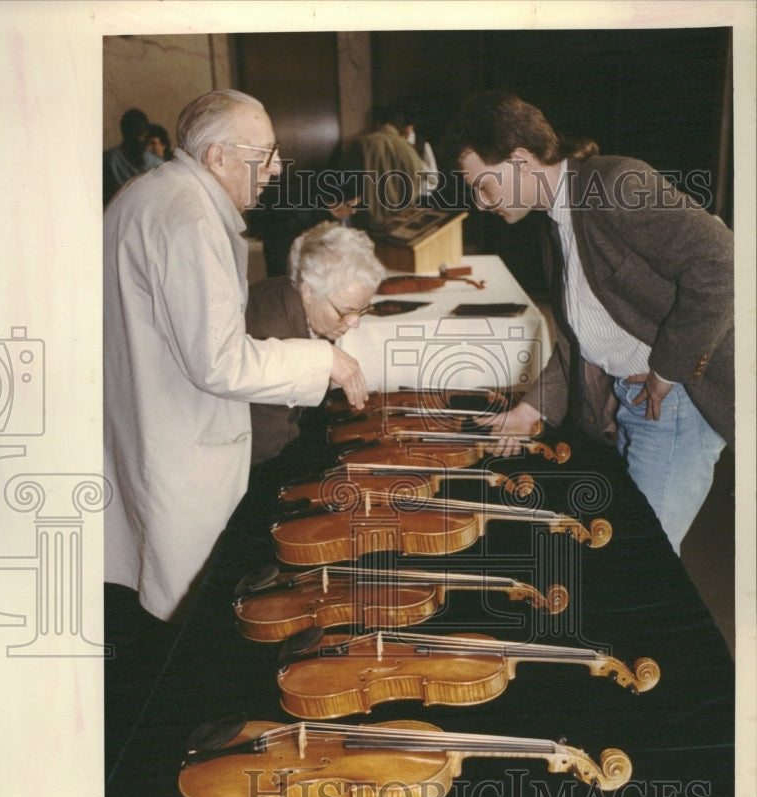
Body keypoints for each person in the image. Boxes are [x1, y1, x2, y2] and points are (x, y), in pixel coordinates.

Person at [103, 89, 368, 622]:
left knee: (159, 590)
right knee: (193, 613)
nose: (273, 170)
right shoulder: (191, 218)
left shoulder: (148, 191)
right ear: (218, 157)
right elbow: (219, 362)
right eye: (264, 154)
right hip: (178, 437)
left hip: (145, 420)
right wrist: (324, 362)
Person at [443, 90, 733, 554]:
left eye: (482, 184)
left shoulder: (615, 183)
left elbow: (722, 264)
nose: (480, 202)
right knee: (626, 542)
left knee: (638, 558)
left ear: (520, 160)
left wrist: (667, 367)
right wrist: (530, 409)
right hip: (634, 401)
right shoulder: (556, 217)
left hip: (674, 405)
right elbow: (585, 334)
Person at [246, 220, 385, 465]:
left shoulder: (298, 300)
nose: (354, 323)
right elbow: (267, 449)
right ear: (308, 292)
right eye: (346, 311)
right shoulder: (273, 332)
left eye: (362, 311)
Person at [102, 107, 163, 206]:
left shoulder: (158, 166)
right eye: (133, 135)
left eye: (141, 134)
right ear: (125, 133)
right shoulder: (108, 161)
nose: (138, 140)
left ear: (146, 133)